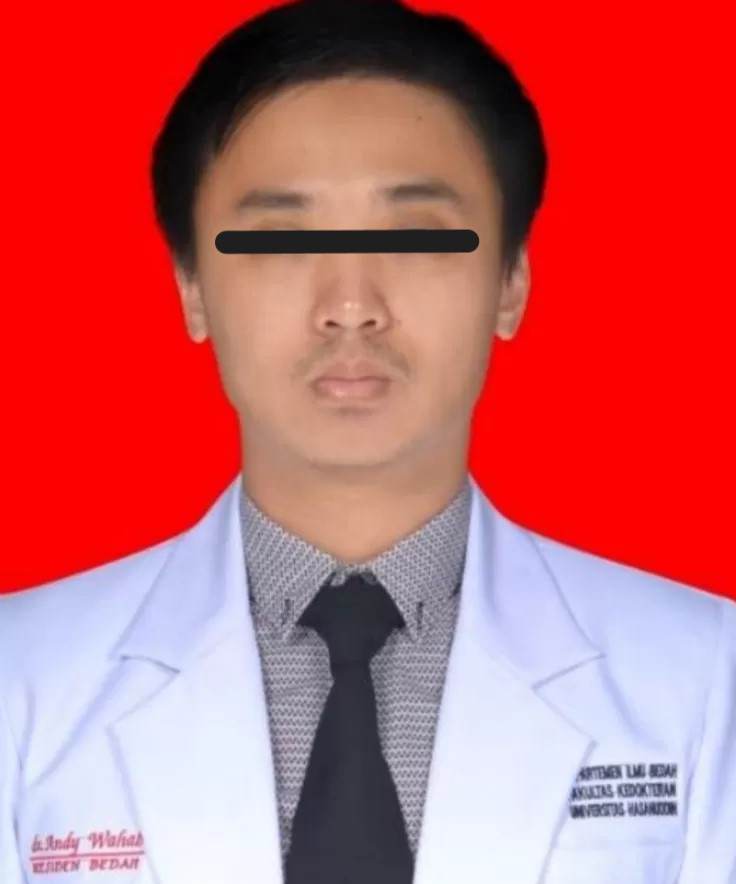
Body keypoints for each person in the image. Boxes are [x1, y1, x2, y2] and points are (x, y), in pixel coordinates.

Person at [1, 0, 734, 882]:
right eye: (278, 241)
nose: (350, 305)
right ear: (192, 286)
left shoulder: (705, 675)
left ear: (510, 281)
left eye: (417, 237)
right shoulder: (22, 676)